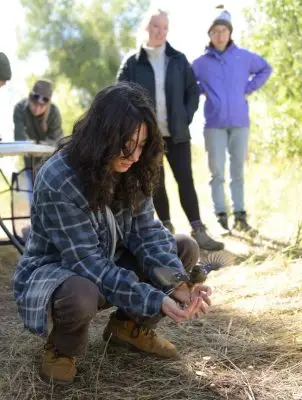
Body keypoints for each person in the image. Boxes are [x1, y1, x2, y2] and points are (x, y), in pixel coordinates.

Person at [13, 82, 212, 385]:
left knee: (184, 248)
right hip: (60, 272)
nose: (134, 155)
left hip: (108, 259)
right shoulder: (59, 178)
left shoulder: (135, 167)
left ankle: (127, 328)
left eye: (142, 144)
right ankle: (62, 348)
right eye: (126, 143)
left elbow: (147, 232)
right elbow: (86, 262)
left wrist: (176, 285)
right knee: (81, 292)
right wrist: (153, 299)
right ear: (101, 136)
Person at [117, 8, 224, 251]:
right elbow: (120, 96)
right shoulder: (132, 63)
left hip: (177, 134)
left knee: (185, 180)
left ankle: (199, 230)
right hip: (147, 138)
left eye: (165, 27)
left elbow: (192, 92)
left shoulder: (178, 59)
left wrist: (185, 117)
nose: (160, 32)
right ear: (146, 28)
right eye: (156, 26)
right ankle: (167, 233)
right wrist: (136, 128)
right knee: (156, 184)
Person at [192, 9, 272, 232]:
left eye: (223, 30)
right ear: (209, 35)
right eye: (215, 31)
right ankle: (221, 215)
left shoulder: (243, 57)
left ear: (229, 33)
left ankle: (240, 215)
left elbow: (266, 68)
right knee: (216, 171)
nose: (219, 35)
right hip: (214, 124)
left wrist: (248, 88)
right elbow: (189, 85)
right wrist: (202, 89)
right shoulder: (200, 63)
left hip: (239, 122)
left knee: (237, 170)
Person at [13, 79, 63, 204]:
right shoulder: (20, 109)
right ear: (29, 99)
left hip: (51, 160)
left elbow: (55, 142)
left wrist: (36, 145)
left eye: (42, 106)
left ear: (48, 104)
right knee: (32, 196)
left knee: (50, 196)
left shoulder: (54, 113)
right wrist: (32, 145)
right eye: (34, 104)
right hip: (30, 159)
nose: (37, 109)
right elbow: (19, 139)